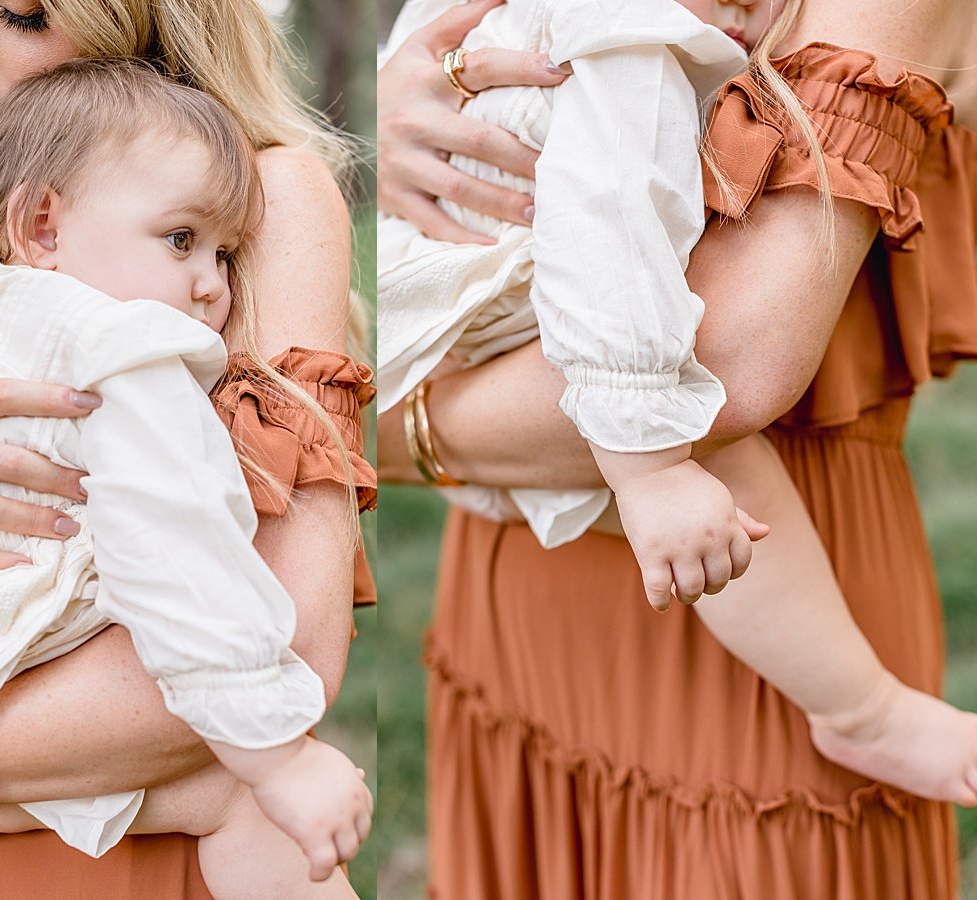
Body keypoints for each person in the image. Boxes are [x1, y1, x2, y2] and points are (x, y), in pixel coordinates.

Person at [378, 0, 977, 895]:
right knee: (680, 424)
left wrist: (409, 431)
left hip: (727, 571)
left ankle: (858, 705)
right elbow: (621, 264)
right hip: (630, 509)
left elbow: (736, 359)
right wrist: (403, 100)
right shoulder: (630, 38)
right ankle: (861, 708)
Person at [0, 2, 375, 898]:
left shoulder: (242, 207)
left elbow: (294, 636)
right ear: (38, 226)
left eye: (22, 14)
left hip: (104, 871)